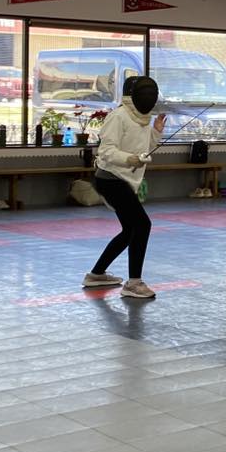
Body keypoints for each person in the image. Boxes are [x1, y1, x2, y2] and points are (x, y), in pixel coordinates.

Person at [84, 75, 164, 300]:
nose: (148, 97)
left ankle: (96, 274)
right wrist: (129, 159)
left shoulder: (143, 119)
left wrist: (156, 131)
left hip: (124, 179)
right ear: (133, 95)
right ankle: (134, 283)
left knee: (130, 230)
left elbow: (144, 147)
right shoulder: (118, 116)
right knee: (142, 224)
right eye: (145, 93)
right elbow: (106, 151)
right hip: (110, 179)